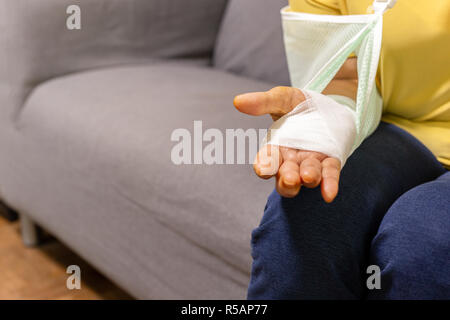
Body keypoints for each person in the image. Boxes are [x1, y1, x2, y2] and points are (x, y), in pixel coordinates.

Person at [233, 0, 450, 299]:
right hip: (401, 127)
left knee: (421, 244)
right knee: (308, 211)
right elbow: (344, 77)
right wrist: (322, 124)